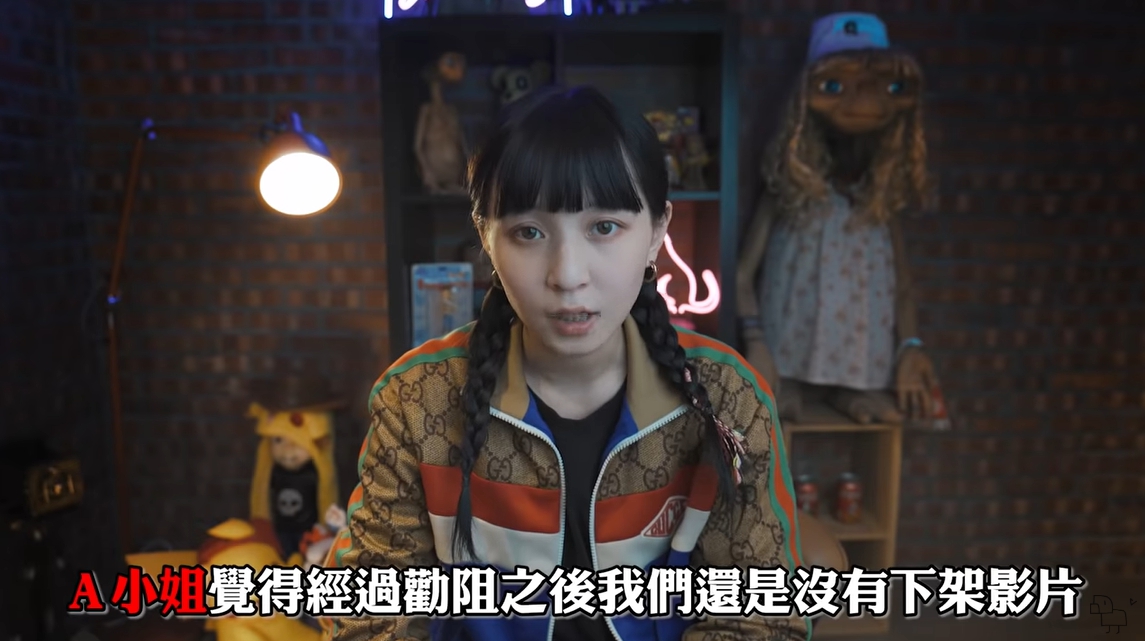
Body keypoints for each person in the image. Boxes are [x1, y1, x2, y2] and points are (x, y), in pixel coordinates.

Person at [329, 86, 809, 641]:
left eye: (604, 227)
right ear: (486, 237)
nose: (568, 275)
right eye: (528, 233)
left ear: (657, 232)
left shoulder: (725, 395)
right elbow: (368, 615)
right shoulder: (418, 399)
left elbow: (759, 617)